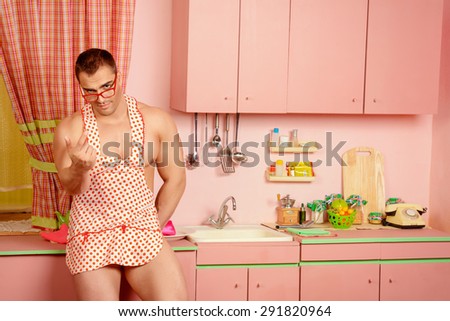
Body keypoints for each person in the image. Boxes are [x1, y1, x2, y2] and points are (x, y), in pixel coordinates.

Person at [53, 48, 187, 300]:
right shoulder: (69, 129)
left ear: (118, 77)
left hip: (142, 228)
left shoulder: (157, 121)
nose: (101, 98)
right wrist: (79, 167)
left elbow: (176, 179)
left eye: (106, 86)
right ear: (80, 86)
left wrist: (152, 226)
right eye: (89, 91)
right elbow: (69, 186)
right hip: (90, 231)